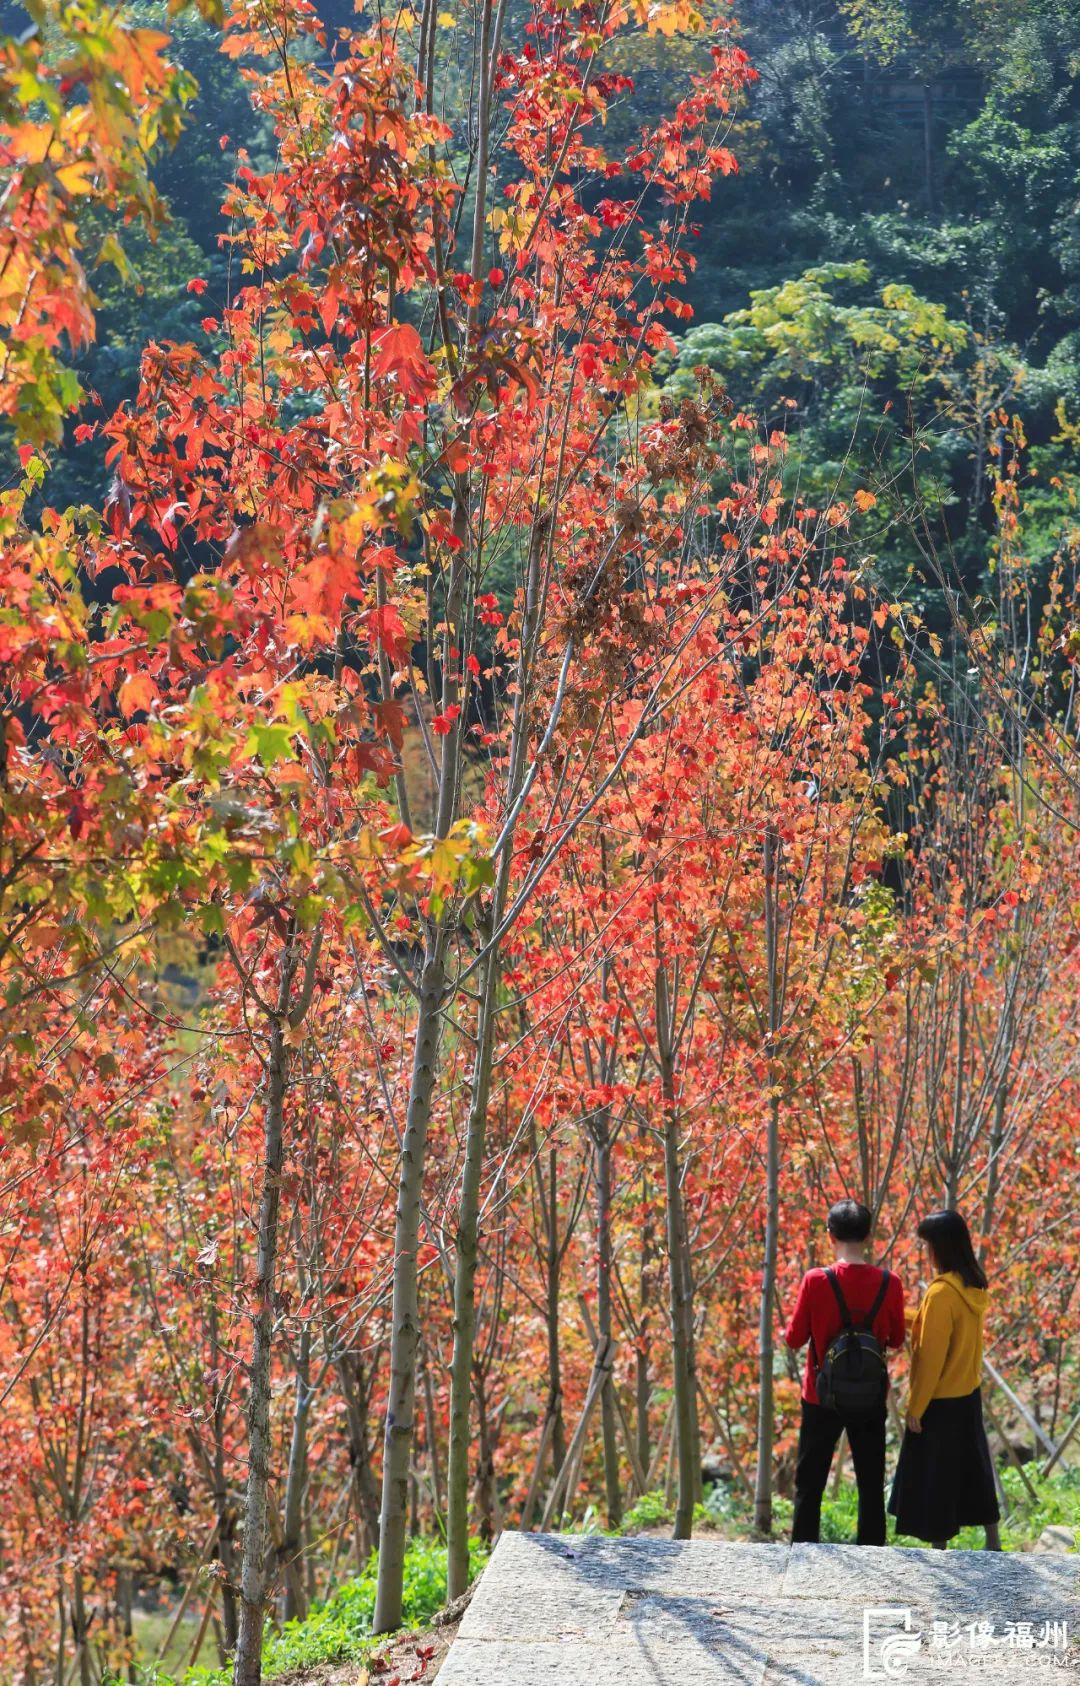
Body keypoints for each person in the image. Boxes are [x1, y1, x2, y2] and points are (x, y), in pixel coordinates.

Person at [784, 1199, 906, 1546]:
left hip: (821, 1395)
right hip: (870, 1395)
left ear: (829, 1235)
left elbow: (794, 1339)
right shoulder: (890, 1282)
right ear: (869, 1235)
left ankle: (805, 1550)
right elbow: (896, 1340)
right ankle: (871, 1550)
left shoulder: (815, 1280)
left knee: (810, 1481)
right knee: (870, 1481)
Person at [889, 1208, 1002, 1550]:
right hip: (967, 1394)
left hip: (939, 1400)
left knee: (935, 1474)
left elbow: (930, 1359)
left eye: (928, 1246)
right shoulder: (970, 1287)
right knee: (972, 1467)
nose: (927, 1254)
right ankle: (993, 1541)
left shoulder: (941, 1294)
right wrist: (894, 1314)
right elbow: (932, 1324)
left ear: (941, 1248)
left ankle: (940, 1549)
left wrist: (915, 1408)